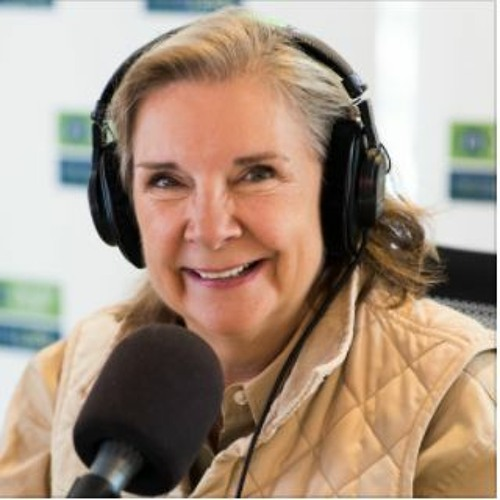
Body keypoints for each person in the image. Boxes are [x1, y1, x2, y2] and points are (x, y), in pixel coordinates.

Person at [0, 7, 495, 498]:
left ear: (339, 193)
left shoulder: (455, 404)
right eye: (166, 181)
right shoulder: (67, 376)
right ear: (121, 208)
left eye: (257, 175)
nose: (211, 230)